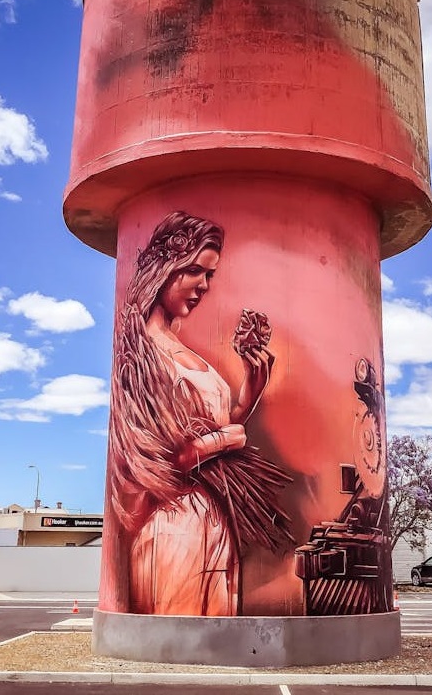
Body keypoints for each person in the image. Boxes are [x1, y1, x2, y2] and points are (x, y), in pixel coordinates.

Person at [100, 211, 292, 615]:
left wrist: (249, 394)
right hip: (175, 527)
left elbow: (215, 432)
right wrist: (226, 439)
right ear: (164, 269)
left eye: (209, 275)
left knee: (212, 634)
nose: (203, 286)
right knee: (182, 633)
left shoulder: (180, 348)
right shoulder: (142, 355)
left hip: (214, 522)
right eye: (194, 272)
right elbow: (159, 464)